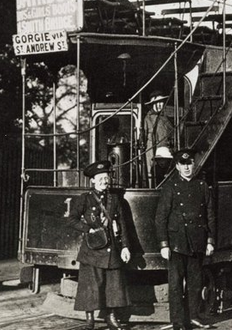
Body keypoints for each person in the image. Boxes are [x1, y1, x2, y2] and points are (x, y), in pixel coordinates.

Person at [155, 149, 216, 330]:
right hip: (176, 243)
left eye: (189, 164)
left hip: (197, 241)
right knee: (175, 285)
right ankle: (178, 322)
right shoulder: (170, 187)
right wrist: (164, 244)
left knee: (195, 283)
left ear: (193, 165)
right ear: (177, 167)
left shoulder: (202, 186)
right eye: (183, 165)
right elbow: (160, 218)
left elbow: (210, 215)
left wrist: (210, 240)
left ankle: (194, 317)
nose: (187, 167)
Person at [67, 160, 132, 330]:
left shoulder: (114, 199)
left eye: (106, 177)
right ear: (93, 181)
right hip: (92, 249)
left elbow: (122, 224)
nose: (104, 180)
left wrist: (125, 247)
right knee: (90, 286)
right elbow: (71, 219)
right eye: (100, 178)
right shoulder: (85, 199)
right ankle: (90, 320)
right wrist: (88, 229)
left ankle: (111, 317)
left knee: (113, 286)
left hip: (111, 249)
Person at [143, 90, 175, 185]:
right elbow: (144, 138)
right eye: (157, 103)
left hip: (166, 153)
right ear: (153, 104)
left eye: (162, 102)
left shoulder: (165, 118)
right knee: (152, 176)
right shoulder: (148, 119)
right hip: (152, 152)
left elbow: (172, 133)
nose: (160, 105)